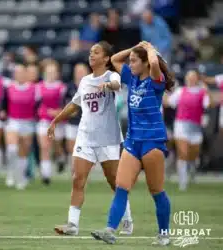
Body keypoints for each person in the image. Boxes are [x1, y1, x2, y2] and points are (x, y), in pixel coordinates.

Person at [91, 41, 175, 246]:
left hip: (152, 141)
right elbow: (114, 59)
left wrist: (149, 50)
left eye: (134, 61)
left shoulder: (156, 80)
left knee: (156, 191)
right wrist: (136, 47)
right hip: (133, 140)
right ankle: (110, 230)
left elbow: (154, 63)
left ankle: (164, 234)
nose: (130, 64)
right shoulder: (132, 78)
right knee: (121, 186)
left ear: (145, 63)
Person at [49, 41, 133, 236]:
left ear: (106, 58)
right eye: (90, 52)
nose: (91, 55)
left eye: (96, 52)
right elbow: (74, 104)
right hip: (85, 136)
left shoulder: (111, 75)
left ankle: (127, 220)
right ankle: (72, 225)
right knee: (78, 179)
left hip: (108, 137)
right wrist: (56, 120)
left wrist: (108, 85)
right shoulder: (85, 81)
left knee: (115, 182)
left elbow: (117, 84)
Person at [164, 70, 213, 190]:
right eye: (188, 77)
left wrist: (208, 92)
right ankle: (183, 183)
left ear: (197, 79)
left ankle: (192, 171)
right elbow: (168, 103)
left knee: (193, 155)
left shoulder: (202, 92)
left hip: (196, 127)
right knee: (183, 153)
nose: (190, 79)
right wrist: (162, 90)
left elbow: (209, 105)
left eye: (193, 77)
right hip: (181, 125)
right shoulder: (181, 91)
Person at [0, 64, 37, 189]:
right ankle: (11, 172)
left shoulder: (34, 88)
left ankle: (21, 177)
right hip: (13, 121)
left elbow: (37, 105)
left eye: (22, 72)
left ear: (26, 74)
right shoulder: (9, 88)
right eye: (17, 72)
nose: (19, 75)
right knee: (12, 149)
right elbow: (3, 105)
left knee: (23, 153)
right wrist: (2, 112)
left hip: (28, 122)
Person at [37, 61, 67, 184]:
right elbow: (37, 106)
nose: (51, 74)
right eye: (49, 72)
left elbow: (66, 105)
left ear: (57, 73)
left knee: (57, 146)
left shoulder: (62, 87)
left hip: (58, 121)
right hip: (44, 120)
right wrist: (46, 112)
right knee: (45, 147)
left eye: (53, 72)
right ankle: (46, 175)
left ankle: (60, 158)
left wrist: (58, 113)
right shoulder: (39, 87)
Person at [63, 63, 89, 171]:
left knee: (84, 150)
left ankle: (83, 173)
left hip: (87, 124)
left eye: (82, 71)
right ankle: (74, 173)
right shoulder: (69, 87)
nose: (79, 74)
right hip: (72, 122)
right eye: (77, 71)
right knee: (72, 149)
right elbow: (64, 103)